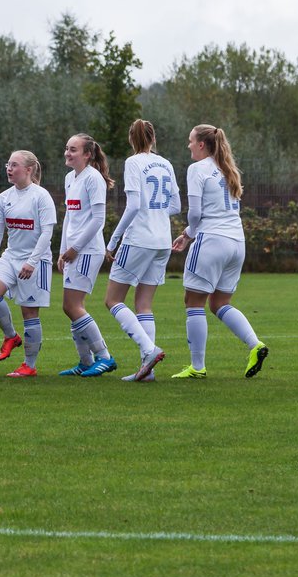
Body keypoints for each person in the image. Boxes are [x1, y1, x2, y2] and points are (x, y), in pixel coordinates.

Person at [169, 124, 268, 378]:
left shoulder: (197, 169)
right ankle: (255, 344)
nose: (188, 145)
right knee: (220, 303)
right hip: (237, 242)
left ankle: (197, 367)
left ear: (202, 144)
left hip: (212, 240)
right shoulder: (227, 168)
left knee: (193, 302)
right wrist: (189, 235)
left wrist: (188, 234)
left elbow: (195, 213)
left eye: (190, 141)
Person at [104, 119, 179, 381]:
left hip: (138, 239)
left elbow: (134, 205)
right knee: (144, 304)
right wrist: (157, 213)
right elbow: (176, 205)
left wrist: (113, 240)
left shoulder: (133, 162)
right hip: (162, 240)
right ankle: (148, 372)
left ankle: (149, 350)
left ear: (130, 138)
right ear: (153, 137)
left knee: (113, 300)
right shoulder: (166, 163)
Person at [0, 150, 56, 378]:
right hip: (11, 256)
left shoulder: (41, 196)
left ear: (29, 169)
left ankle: (29, 365)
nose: (8, 168)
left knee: (29, 312)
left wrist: (32, 262)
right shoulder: (5, 197)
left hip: (36, 260)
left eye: (14, 165)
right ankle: (11, 336)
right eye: (8, 164)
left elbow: (47, 233)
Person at [57, 133, 118, 377]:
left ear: (87, 154)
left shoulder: (94, 179)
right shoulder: (70, 178)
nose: (67, 153)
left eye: (73, 149)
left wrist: (75, 249)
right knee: (70, 307)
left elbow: (98, 220)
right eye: (67, 148)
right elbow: (70, 218)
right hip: (73, 252)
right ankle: (85, 361)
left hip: (88, 251)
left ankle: (105, 357)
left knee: (72, 306)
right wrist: (63, 250)